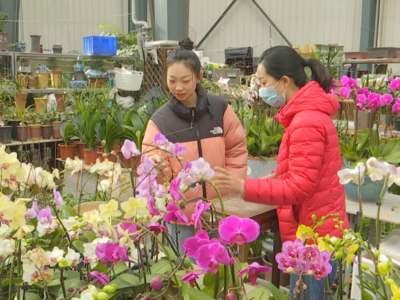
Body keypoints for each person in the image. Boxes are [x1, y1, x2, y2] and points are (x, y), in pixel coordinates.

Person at [214, 45, 349, 300]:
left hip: (314, 243)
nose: (261, 89)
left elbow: (299, 187)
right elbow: (310, 170)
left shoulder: (306, 120)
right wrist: (278, 176)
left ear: (284, 81)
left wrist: (244, 187)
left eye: (264, 82)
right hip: (318, 233)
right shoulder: (306, 115)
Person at [142, 37, 248, 254]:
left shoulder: (220, 109)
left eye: (185, 80)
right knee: (185, 273)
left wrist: (228, 189)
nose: (178, 87)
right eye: (172, 81)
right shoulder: (160, 120)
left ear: (199, 77)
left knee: (219, 270)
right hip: (182, 214)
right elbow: (151, 160)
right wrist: (159, 168)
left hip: (220, 210)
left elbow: (236, 150)